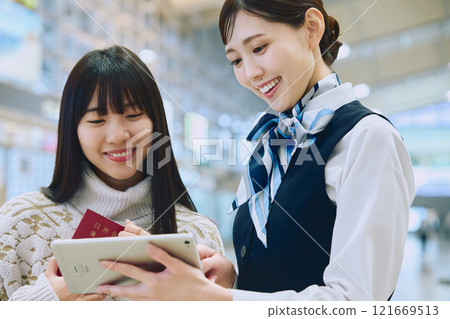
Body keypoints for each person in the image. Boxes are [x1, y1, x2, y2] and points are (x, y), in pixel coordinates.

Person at [95, 0, 415, 301]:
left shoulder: (368, 138)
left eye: (259, 48)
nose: (250, 74)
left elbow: (356, 302)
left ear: (312, 28)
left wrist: (217, 299)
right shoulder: (272, 145)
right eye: (236, 60)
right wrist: (230, 280)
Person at [0, 46, 224, 301]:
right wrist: (44, 302)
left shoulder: (197, 235)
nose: (118, 136)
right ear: (72, 129)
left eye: (133, 115)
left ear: (156, 122)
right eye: (97, 120)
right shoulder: (19, 223)